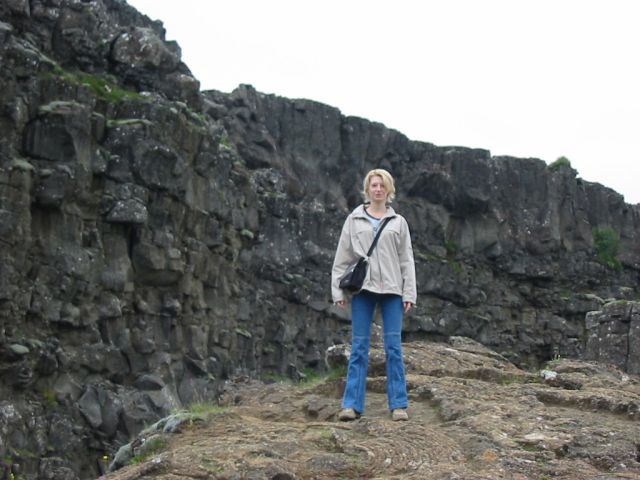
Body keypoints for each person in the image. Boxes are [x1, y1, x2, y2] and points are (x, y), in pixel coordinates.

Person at [331, 168, 417, 422]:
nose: (378, 189)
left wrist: (409, 293)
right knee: (359, 347)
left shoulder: (399, 222)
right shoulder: (354, 219)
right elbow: (342, 257)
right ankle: (351, 405)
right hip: (363, 289)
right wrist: (337, 290)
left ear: (389, 190)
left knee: (394, 348)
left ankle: (398, 405)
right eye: (374, 185)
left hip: (392, 290)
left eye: (382, 185)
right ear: (367, 190)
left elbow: (406, 260)